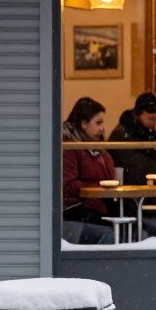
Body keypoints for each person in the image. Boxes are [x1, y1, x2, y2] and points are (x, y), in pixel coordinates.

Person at [62, 97, 116, 245]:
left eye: (102, 123)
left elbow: (110, 176)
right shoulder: (69, 148)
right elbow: (67, 185)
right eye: (98, 123)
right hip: (74, 212)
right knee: (113, 233)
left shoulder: (96, 148)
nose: (102, 128)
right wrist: (98, 188)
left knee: (133, 228)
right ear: (83, 123)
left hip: (97, 209)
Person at [108, 92, 156, 185]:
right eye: (151, 118)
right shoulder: (122, 135)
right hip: (129, 188)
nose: (154, 119)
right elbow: (138, 168)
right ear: (138, 113)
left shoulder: (146, 132)